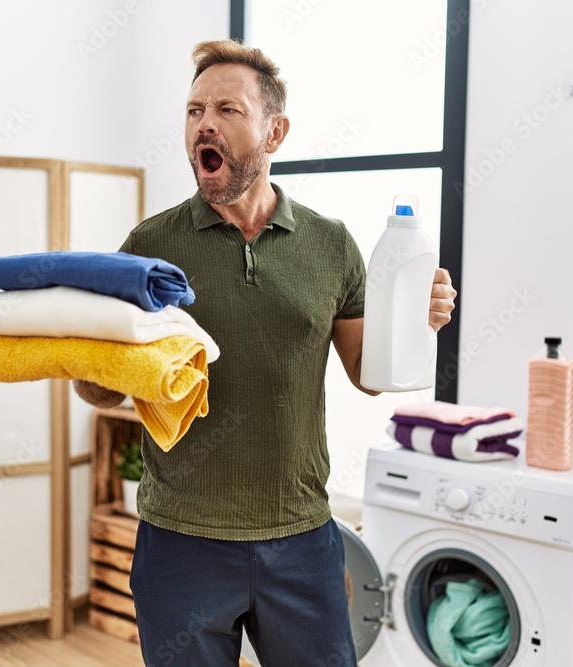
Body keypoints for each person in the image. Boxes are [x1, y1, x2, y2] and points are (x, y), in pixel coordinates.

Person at [75, 39, 457, 666]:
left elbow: (367, 372)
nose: (204, 123)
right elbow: (107, 389)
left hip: (301, 539)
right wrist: (80, 350)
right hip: (181, 542)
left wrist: (418, 324)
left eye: (227, 108)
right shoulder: (150, 245)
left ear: (275, 131)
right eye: (195, 110)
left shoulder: (331, 245)